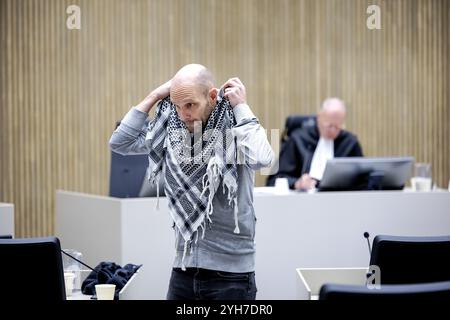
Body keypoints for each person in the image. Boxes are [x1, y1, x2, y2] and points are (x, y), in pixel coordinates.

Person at [109, 64, 274, 300]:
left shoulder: (237, 129)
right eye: (177, 105)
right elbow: (119, 143)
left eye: (190, 105)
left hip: (231, 275)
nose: (183, 113)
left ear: (212, 96)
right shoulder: (170, 130)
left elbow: (262, 159)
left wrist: (241, 107)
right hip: (183, 270)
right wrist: (155, 95)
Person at [267, 98, 363, 190]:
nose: (333, 131)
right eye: (329, 126)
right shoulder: (298, 139)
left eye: (337, 127)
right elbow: (274, 180)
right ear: (319, 118)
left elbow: (362, 179)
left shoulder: (350, 143)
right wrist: (297, 183)